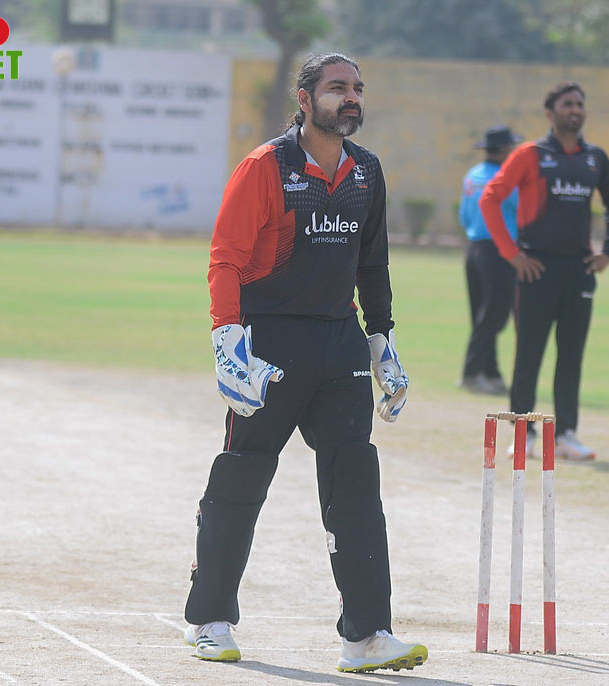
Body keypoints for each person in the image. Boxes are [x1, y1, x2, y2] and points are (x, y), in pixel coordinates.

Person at [183, 53, 428, 674]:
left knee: (356, 482)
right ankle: (210, 621)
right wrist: (227, 340)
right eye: (337, 87)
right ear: (304, 98)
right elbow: (226, 257)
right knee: (242, 477)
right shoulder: (267, 166)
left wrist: (382, 340)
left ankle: (366, 635)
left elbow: (372, 263)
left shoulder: (366, 171)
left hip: (340, 343)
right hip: (270, 342)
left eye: (357, 88)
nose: (351, 97)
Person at [479, 82, 609, 461]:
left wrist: (608, 252)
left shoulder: (595, 158)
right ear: (550, 113)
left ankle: (566, 435)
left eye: (579, 104)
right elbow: (490, 198)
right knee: (529, 353)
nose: (575, 110)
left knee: (571, 354)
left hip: (579, 270)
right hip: (536, 269)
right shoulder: (530, 154)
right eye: (567, 104)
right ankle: (523, 434)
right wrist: (513, 254)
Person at [458, 126, 521, 395]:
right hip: (499, 251)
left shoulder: (472, 176)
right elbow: (523, 211)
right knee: (494, 315)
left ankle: (491, 372)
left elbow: (464, 216)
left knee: (481, 314)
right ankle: (471, 373)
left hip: (474, 250)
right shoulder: (507, 178)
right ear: (505, 150)